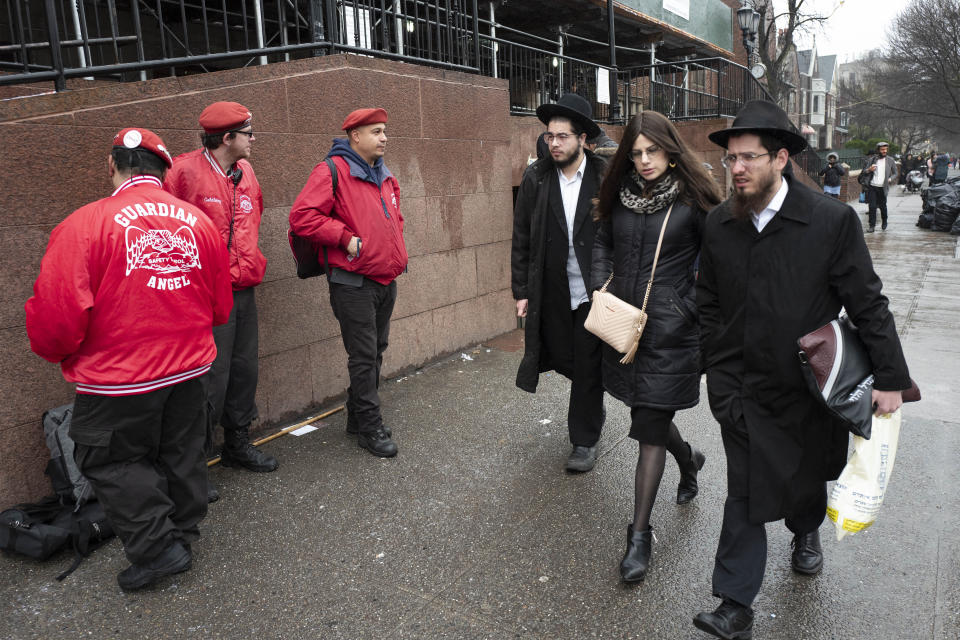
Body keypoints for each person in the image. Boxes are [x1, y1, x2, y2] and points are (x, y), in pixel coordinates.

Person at [693, 100, 911, 639]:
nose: (736, 168)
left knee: (810, 475)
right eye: (731, 159)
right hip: (742, 386)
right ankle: (735, 603)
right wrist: (717, 371)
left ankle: (805, 529)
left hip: (812, 389)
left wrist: (890, 379)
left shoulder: (830, 221)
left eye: (749, 158)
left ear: (781, 158)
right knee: (743, 490)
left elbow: (867, 302)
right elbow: (707, 302)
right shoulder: (720, 224)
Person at [25, 128, 233, 590]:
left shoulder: (84, 224)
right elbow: (221, 307)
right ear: (165, 170)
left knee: (112, 462)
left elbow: (56, 317)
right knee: (181, 451)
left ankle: (160, 551)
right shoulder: (198, 222)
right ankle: (180, 532)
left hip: (119, 378)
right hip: (188, 367)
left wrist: (57, 352)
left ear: (113, 166)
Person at [591, 110, 721, 582]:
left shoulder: (695, 200)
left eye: (653, 151)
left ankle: (639, 536)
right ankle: (689, 462)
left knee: (649, 425)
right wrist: (597, 288)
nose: (644, 160)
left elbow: (717, 267)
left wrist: (685, 305)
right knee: (646, 412)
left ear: (670, 151)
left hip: (672, 332)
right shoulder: (620, 195)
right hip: (624, 327)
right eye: (637, 152)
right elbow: (601, 243)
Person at [164, 101, 279, 501]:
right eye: (248, 133)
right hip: (204, 294)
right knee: (210, 379)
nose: (254, 139)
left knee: (244, 371)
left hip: (243, 288)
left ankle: (237, 444)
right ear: (226, 138)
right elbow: (163, 226)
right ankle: (193, 466)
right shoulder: (182, 171)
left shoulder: (245, 171)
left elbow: (255, 215)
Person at [289, 108, 407, 458]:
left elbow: (395, 217)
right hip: (352, 282)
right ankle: (369, 428)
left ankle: (357, 417)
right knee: (364, 356)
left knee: (376, 351)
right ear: (355, 136)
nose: (384, 137)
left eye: (385, 131)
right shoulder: (332, 170)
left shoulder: (384, 173)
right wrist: (344, 237)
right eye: (376, 131)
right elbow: (302, 217)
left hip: (385, 278)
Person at [511, 93, 608, 473]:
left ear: (583, 139)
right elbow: (521, 237)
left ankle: (583, 441)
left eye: (562, 136)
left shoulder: (603, 176)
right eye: (550, 136)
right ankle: (592, 401)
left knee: (585, 362)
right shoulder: (536, 177)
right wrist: (521, 291)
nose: (554, 143)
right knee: (564, 358)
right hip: (551, 289)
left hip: (592, 289)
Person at [862, 141, 898, 232]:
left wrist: (890, 179)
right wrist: (869, 169)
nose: (884, 151)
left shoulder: (890, 160)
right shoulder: (872, 160)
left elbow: (895, 173)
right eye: (882, 150)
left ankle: (884, 221)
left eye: (886, 149)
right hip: (872, 186)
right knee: (872, 207)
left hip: (883, 187)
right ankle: (872, 226)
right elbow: (864, 172)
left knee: (883, 206)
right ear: (878, 150)